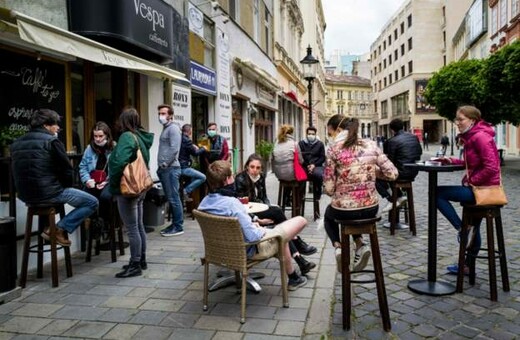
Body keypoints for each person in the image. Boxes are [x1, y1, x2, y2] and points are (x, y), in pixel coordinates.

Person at [198, 160, 308, 290]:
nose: (233, 178)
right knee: (298, 222)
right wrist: (262, 229)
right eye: (232, 175)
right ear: (227, 180)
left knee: (281, 233)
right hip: (244, 249)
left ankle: (295, 276)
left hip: (218, 251)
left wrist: (254, 223)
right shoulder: (232, 203)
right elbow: (253, 237)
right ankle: (294, 277)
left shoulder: (204, 203)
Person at [10, 109, 98, 247]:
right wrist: (66, 186)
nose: (58, 127)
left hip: (25, 196)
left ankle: (50, 229)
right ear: (46, 125)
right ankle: (57, 229)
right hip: (49, 194)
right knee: (92, 202)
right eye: (55, 124)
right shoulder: (52, 141)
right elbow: (67, 170)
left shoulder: (16, 143)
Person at [323, 115, 398, 272]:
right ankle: (360, 244)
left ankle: (338, 248)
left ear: (338, 130)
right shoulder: (371, 145)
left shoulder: (333, 149)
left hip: (344, 210)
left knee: (329, 216)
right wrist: (371, 171)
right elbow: (392, 174)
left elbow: (329, 189)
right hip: (370, 208)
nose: (331, 135)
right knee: (352, 212)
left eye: (331, 132)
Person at [436, 106, 501, 275]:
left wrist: (471, 181)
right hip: (478, 189)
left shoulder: (480, 137)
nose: (457, 123)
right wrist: (451, 160)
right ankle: (467, 264)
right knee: (474, 225)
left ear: (472, 120)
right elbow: (472, 164)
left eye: (460, 119)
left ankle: (462, 229)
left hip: (483, 190)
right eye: (456, 119)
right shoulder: (472, 137)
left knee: (437, 193)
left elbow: (492, 167)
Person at [234, 154, 317, 275]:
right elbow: (241, 206)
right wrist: (257, 219)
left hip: (259, 209)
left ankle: (300, 259)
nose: (255, 170)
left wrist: (269, 207)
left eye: (258, 168)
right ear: (247, 166)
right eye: (252, 167)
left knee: (278, 217)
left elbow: (264, 198)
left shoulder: (261, 177)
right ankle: (298, 244)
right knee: (278, 214)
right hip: (249, 214)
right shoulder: (240, 179)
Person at [109, 106, 154, 278]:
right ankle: (141, 260)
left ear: (123, 121)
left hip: (128, 189)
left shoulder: (127, 137)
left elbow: (118, 163)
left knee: (132, 228)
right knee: (139, 225)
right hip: (140, 187)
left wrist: (113, 185)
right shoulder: (140, 137)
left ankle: (135, 264)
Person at [376, 118, 423, 213]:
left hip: (401, 173)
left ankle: (392, 199)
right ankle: (399, 196)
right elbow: (420, 152)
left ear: (392, 130)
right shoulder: (414, 137)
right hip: (414, 171)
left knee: (376, 177)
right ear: (403, 127)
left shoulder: (391, 141)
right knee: (388, 174)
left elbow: (389, 163)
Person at [155, 104, 184, 237]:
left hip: (171, 169)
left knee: (173, 198)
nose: (161, 116)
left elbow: (174, 149)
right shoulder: (166, 128)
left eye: (163, 113)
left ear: (170, 115)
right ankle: (174, 224)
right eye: (160, 113)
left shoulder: (173, 128)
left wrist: (165, 164)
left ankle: (178, 226)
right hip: (166, 169)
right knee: (171, 198)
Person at [79, 121, 115, 224]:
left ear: (107, 135)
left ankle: (105, 222)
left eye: (101, 136)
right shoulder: (89, 149)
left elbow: (118, 170)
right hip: (93, 181)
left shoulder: (114, 147)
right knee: (85, 197)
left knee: (105, 197)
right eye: (95, 136)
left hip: (109, 181)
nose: (98, 139)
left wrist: (106, 182)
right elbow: (83, 167)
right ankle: (94, 222)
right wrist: (87, 180)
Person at [179, 124, 206, 202]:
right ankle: (185, 191)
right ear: (190, 131)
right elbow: (195, 153)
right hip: (183, 167)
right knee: (202, 177)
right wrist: (203, 148)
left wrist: (192, 145)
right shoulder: (187, 140)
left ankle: (182, 192)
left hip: (177, 166)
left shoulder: (179, 138)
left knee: (192, 177)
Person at [298, 126, 326, 202]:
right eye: (309, 134)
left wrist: (314, 165)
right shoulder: (301, 143)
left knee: (318, 174)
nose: (311, 135)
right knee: (300, 175)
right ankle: (300, 195)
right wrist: (307, 165)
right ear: (306, 134)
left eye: (313, 134)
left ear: (315, 134)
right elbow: (300, 157)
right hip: (305, 165)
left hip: (317, 165)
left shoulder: (320, 144)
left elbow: (322, 157)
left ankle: (318, 193)